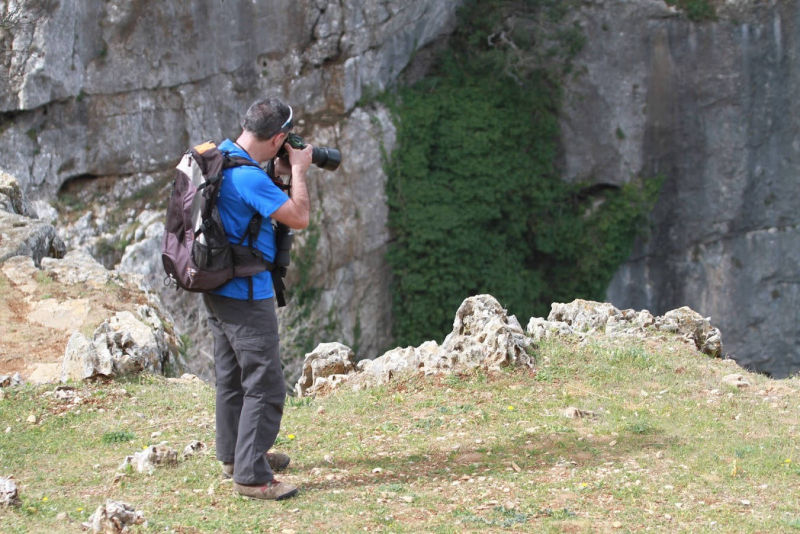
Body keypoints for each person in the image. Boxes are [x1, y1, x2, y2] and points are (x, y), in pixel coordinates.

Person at [203, 97, 312, 501]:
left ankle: (236, 454)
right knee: (265, 384)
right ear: (279, 137)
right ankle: (250, 475)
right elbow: (299, 217)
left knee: (232, 377)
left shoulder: (223, 155)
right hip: (246, 294)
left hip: (216, 287)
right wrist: (298, 171)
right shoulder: (249, 178)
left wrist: (278, 174)